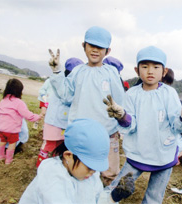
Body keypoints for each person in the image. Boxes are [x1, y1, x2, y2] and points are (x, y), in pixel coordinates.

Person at [103, 45, 182, 203]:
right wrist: (123, 117)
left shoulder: (169, 94)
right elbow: (130, 125)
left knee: (154, 196)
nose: (150, 71)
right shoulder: (132, 94)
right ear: (136, 70)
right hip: (137, 152)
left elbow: (177, 126)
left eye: (156, 67)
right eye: (145, 66)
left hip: (164, 154)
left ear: (164, 71)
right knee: (118, 187)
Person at [48, 26, 125, 185]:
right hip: (81, 134)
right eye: (91, 46)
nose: (95, 50)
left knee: (109, 172)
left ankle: (105, 198)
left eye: (100, 47)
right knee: (78, 170)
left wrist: (120, 122)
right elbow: (65, 95)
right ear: (84, 46)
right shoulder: (78, 72)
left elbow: (120, 102)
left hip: (107, 132)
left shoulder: (111, 73)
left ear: (107, 51)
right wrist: (56, 71)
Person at [19, 118, 134, 204]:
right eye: (90, 167)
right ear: (68, 156)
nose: (93, 172)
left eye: (95, 168)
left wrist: (113, 197)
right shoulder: (52, 177)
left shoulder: (89, 175)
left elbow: (95, 199)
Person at [36, 57, 84, 167]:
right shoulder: (61, 83)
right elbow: (68, 99)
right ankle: (40, 167)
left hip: (63, 123)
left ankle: (53, 168)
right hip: (54, 122)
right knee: (49, 146)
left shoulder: (69, 84)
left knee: (59, 147)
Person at [0, 78, 42, 164]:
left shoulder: (3, 101)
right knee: (12, 143)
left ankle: (0, 157)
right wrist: (37, 117)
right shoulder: (19, 103)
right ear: (19, 91)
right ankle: (8, 160)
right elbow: (27, 115)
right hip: (12, 130)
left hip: (1, 128)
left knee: (2, 142)